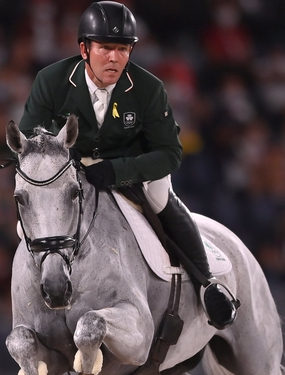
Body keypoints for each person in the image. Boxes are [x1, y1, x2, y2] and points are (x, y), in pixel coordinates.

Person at [18, 1, 239, 329]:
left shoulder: (149, 88)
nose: (114, 58)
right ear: (84, 48)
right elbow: (29, 142)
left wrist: (118, 170)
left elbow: (169, 154)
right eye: (105, 47)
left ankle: (208, 284)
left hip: (134, 170)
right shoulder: (51, 80)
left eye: (123, 49)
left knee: (162, 199)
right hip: (71, 171)